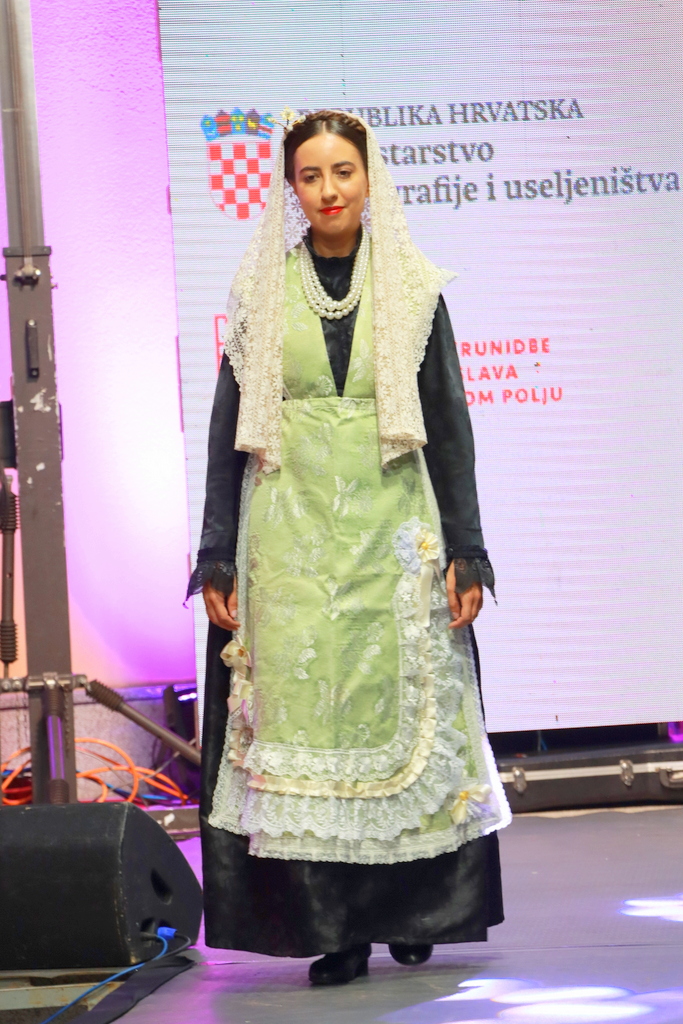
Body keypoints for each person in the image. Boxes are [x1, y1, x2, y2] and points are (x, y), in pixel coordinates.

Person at [188, 109, 510, 986]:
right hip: (287, 540)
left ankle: (415, 913)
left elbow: (449, 426)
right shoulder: (260, 291)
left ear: (369, 179)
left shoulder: (413, 289)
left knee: (403, 725)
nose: (328, 190)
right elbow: (226, 431)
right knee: (308, 736)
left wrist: (467, 549)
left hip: (393, 531)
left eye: (342, 172)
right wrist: (216, 554)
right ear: (290, 189)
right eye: (310, 176)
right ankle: (335, 930)